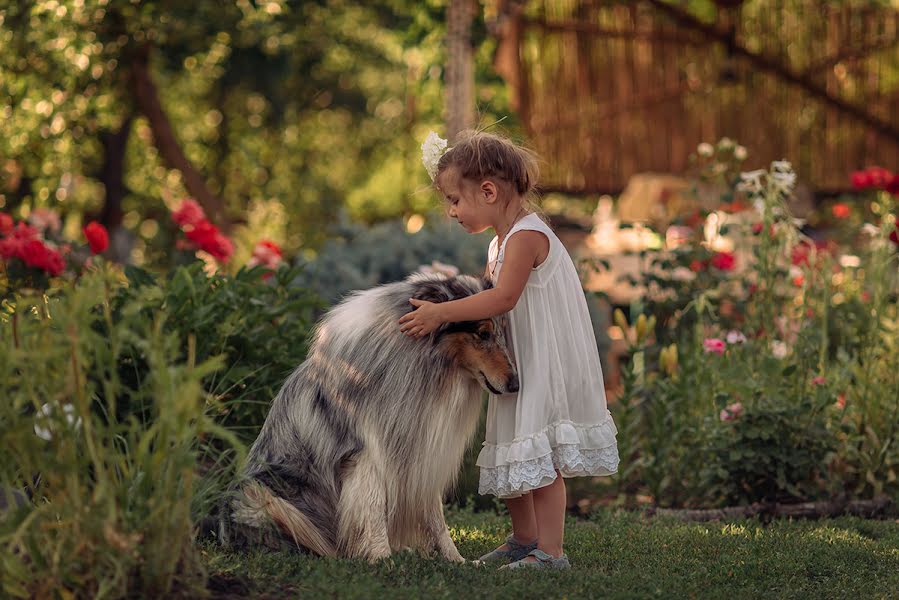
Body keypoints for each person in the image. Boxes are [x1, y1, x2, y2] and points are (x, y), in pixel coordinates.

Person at [399, 130, 619, 570]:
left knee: (544, 456)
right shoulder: (499, 243)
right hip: (515, 362)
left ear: (488, 191)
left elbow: (502, 299)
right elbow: (486, 294)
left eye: (454, 200)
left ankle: (552, 552)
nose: (452, 211)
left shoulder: (526, 237)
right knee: (514, 447)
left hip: (542, 362)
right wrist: (452, 292)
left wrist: (442, 314)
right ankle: (524, 538)